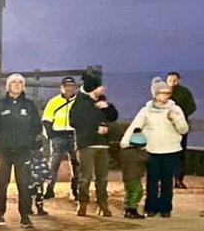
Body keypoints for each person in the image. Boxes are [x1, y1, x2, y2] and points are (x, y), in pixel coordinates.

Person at [120, 77, 189, 218]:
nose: (165, 96)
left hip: (171, 150)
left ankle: (165, 208)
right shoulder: (146, 110)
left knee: (167, 181)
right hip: (152, 150)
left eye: (167, 93)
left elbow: (184, 129)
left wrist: (175, 118)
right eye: (162, 93)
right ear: (155, 94)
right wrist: (125, 142)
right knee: (152, 180)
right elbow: (135, 126)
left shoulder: (175, 109)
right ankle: (151, 208)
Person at [0, 73, 43, 229]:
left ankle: (25, 216)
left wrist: (29, 141)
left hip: (23, 152)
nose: (17, 85)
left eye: (20, 82)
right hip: (3, 152)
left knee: (24, 183)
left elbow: (37, 126)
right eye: (14, 82)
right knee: (1, 183)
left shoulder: (29, 105)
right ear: (8, 86)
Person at [69, 69, 119, 217]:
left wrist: (108, 107)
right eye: (99, 87)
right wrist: (95, 128)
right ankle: (82, 204)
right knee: (85, 177)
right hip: (86, 145)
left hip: (102, 144)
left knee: (102, 178)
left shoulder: (102, 100)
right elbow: (74, 122)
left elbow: (113, 116)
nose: (103, 89)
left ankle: (103, 205)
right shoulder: (80, 102)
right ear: (92, 88)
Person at [41, 77, 79, 200]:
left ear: (75, 87)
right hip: (58, 136)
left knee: (76, 164)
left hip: (74, 136)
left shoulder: (79, 102)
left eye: (71, 86)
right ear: (61, 87)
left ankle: (75, 190)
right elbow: (46, 120)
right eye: (66, 86)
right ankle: (50, 189)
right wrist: (51, 135)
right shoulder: (54, 102)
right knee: (54, 164)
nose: (69, 88)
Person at [167, 72, 196, 189]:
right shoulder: (162, 92)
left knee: (179, 153)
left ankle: (179, 180)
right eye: (170, 80)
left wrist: (180, 116)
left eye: (174, 80)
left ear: (178, 80)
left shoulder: (184, 92)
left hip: (180, 126)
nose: (172, 83)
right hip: (165, 127)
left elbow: (192, 107)